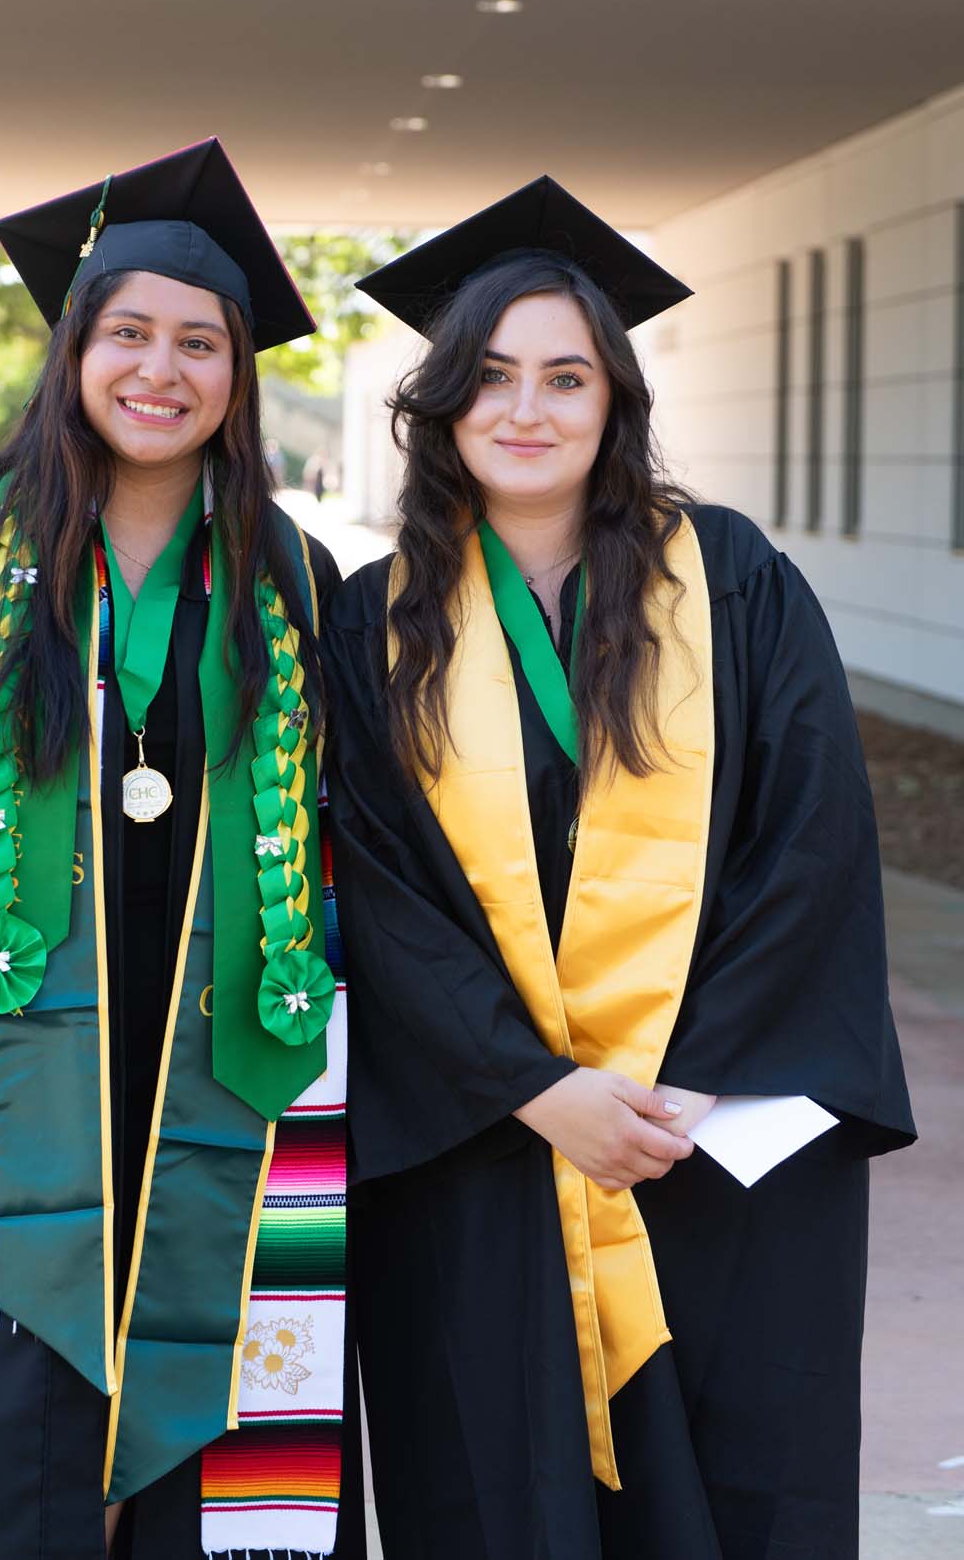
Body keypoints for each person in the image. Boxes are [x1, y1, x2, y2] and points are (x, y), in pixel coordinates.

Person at [325, 176, 915, 1560]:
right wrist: (536, 1088)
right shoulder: (376, 621)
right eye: (492, 377)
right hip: (486, 1139)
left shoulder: (734, 577)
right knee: (494, 1482)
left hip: (707, 1138)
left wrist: (678, 1082)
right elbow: (373, 878)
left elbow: (813, 839)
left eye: (565, 377)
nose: (526, 410)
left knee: (737, 1476)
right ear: (443, 403)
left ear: (615, 402)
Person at [0, 139, 361, 1560]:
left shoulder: (296, 576)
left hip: (229, 1037)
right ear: (73, 350)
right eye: (128, 332)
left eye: (201, 342)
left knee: (239, 1385)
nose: (161, 370)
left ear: (238, 377)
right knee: (21, 1417)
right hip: (20, 1046)